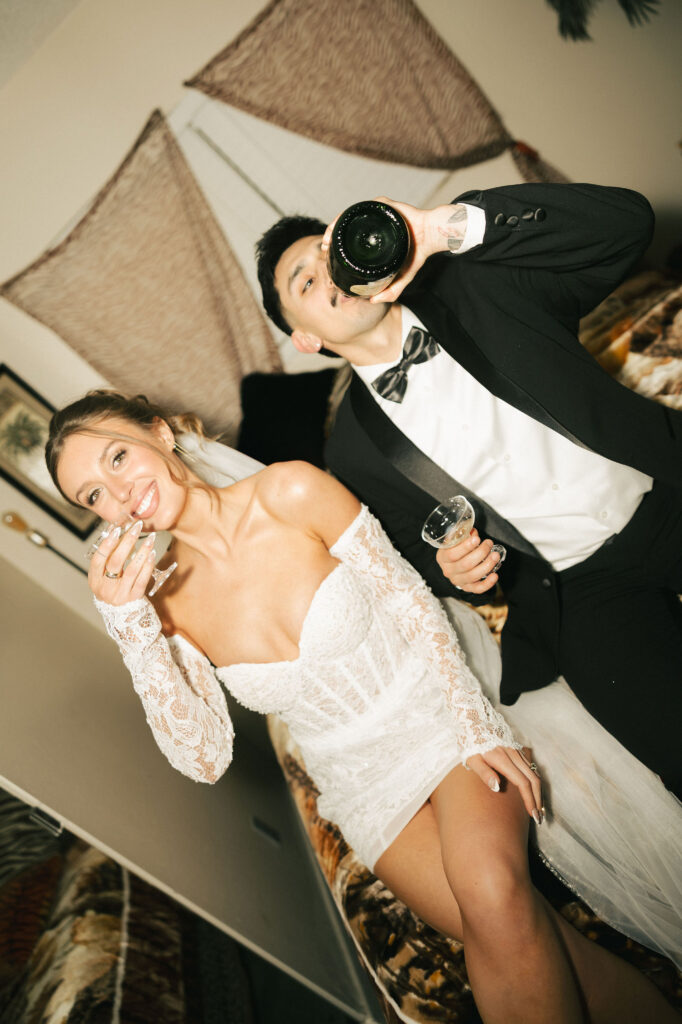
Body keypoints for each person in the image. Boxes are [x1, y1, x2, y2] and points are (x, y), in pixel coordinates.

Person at [46, 391, 678, 1024]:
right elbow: (205, 759)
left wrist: (475, 723)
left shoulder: (290, 491)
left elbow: (408, 598)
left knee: (490, 892)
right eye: (93, 495)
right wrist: (134, 637)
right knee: (532, 941)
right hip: (361, 787)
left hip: (437, 716)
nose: (118, 492)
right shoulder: (162, 609)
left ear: (159, 433)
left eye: (118, 457)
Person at [255, 182, 682, 796]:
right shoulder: (349, 452)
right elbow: (412, 557)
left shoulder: (477, 282)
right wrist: (456, 569)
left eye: (330, 251)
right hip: (578, 590)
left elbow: (629, 225)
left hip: (663, 489)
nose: (329, 271)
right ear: (305, 339)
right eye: (305, 281)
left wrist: (443, 229)